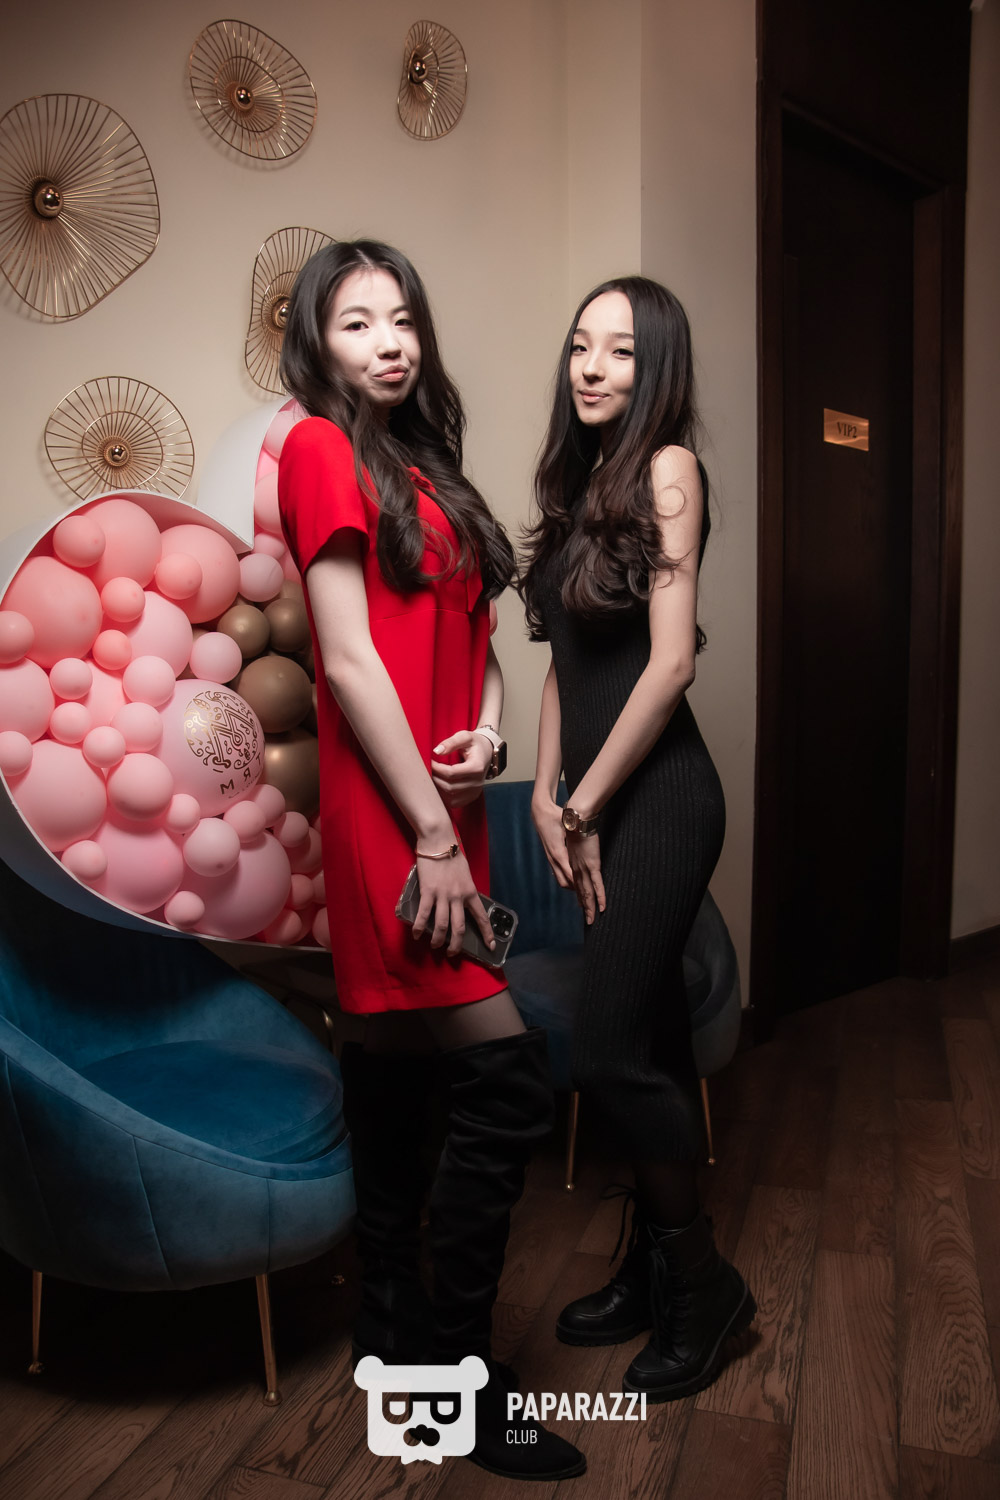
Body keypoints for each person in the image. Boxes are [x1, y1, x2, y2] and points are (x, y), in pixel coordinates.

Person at [276, 240, 584, 1481]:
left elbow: (479, 639)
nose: (388, 341)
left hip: (446, 799)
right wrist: (430, 835)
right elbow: (348, 661)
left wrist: (493, 732)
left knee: (396, 1073)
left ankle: (390, 1334)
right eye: (356, 322)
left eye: (401, 317)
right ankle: (456, 1378)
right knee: (506, 1080)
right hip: (391, 815)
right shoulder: (318, 446)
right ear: (316, 341)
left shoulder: (425, 466)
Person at [520, 276, 756, 1401]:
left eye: (619, 349)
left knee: (609, 1050)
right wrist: (543, 786)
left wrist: (584, 807)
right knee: (651, 1036)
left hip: (660, 800)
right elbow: (568, 658)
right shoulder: (582, 480)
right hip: (597, 795)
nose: (592, 366)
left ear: (656, 363)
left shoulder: (669, 469)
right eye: (581, 345)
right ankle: (652, 1273)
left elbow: (668, 665)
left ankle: (705, 1295)